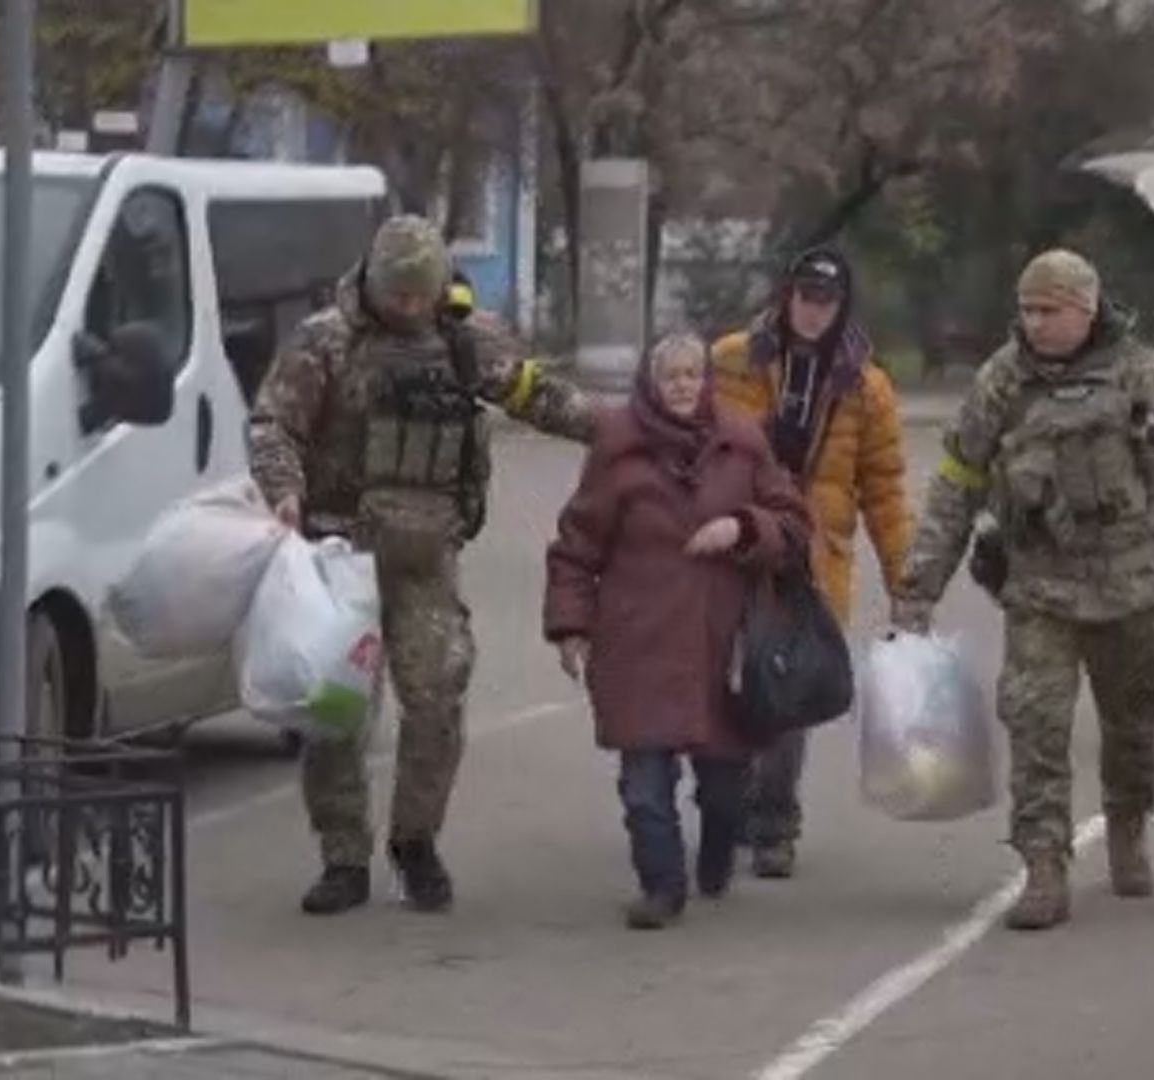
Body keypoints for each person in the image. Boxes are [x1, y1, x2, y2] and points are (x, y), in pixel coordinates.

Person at [892, 249, 1154, 931]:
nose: (1034, 324)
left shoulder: (1146, 377)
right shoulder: (1002, 383)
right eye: (1027, 310)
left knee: (1130, 730)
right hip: (1041, 590)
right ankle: (1044, 866)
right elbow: (955, 485)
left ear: (1085, 309)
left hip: (1134, 588)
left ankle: (1126, 826)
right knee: (1036, 725)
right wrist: (918, 588)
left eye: (1048, 310)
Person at [248, 214, 594, 917]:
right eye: (397, 295)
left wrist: (618, 425)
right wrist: (284, 490)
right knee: (335, 708)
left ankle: (417, 842)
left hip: (425, 556)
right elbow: (274, 424)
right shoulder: (327, 341)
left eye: (420, 295)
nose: (408, 308)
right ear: (374, 283)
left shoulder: (466, 341)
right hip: (339, 555)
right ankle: (343, 855)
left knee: (437, 696)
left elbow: (538, 396)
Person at [542, 332, 812, 929]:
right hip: (637, 642)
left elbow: (793, 524)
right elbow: (576, 544)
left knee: (722, 786)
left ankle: (716, 854)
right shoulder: (618, 448)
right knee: (644, 786)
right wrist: (570, 626)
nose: (685, 386)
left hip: (722, 646)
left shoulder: (742, 442)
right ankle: (661, 887)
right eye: (673, 376)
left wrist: (741, 528)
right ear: (651, 384)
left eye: (695, 374)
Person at [709, 245, 912, 879]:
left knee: (787, 688)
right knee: (726, 681)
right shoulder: (734, 359)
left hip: (815, 553)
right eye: (804, 296)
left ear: (841, 305)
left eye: (825, 301)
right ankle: (731, 800)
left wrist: (908, 577)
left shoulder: (864, 384)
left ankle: (775, 821)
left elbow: (882, 487)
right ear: (785, 294)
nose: (812, 311)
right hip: (736, 540)